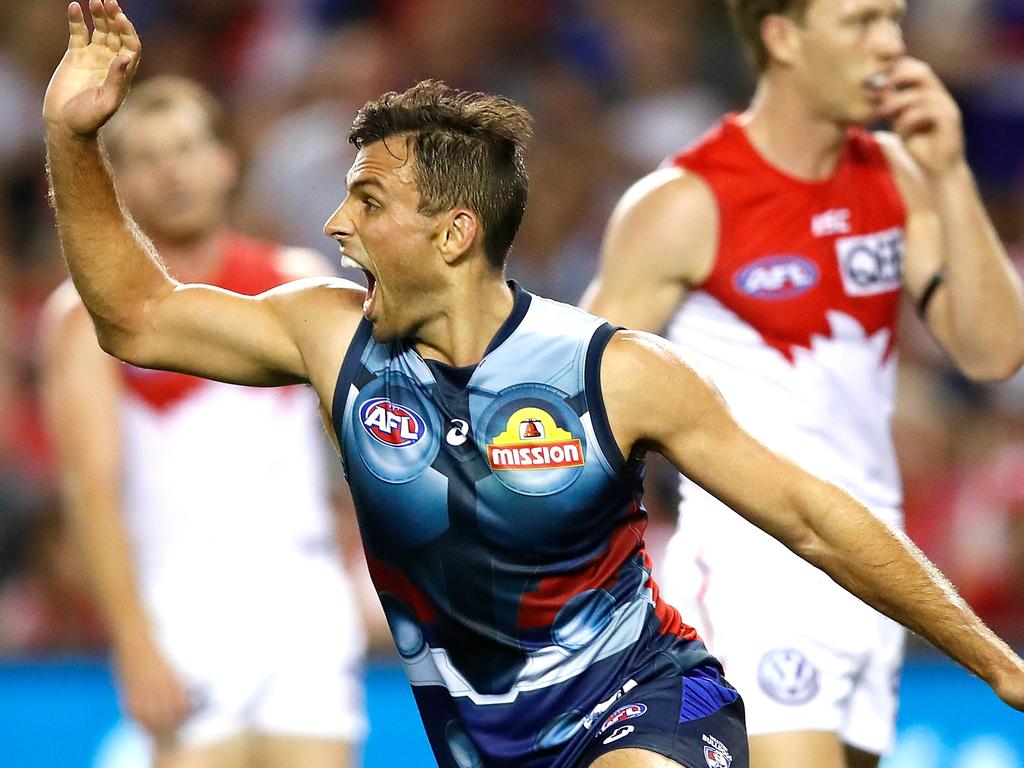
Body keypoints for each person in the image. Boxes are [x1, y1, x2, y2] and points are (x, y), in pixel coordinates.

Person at [42, 3, 1024, 767]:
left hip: (654, 709)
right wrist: (75, 138)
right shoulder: (328, 336)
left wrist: (994, 662)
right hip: (489, 742)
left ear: (453, 232)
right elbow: (135, 316)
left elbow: (812, 516)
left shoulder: (613, 373)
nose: (337, 224)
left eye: (367, 200)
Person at [580, 1, 1024, 767]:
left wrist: (950, 174)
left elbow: (992, 353)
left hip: (879, 564)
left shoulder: (899, 178)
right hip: (759, 558)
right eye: (861, 23)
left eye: (894, 18)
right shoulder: (685, 201)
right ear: (782, 35)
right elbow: (578, 395)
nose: (891, 44)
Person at [40, 73, 367, 768]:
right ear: (116, 181)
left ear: (226, 161)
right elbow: (88, 490)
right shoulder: (82, 318)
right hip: (181, 607)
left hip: (300, 596)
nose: (172, 172)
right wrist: (132, 641)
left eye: (186, 148)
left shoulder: (297, 282)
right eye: (147, 157)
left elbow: (360, 453)